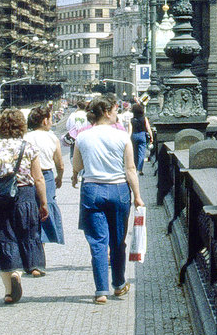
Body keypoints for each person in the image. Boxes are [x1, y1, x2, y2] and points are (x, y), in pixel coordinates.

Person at [0, 108, 48, 305]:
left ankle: (9, 287)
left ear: (0, 127)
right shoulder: (29, 147)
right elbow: (39, 178)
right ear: (21, 126)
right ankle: (23, 270)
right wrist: (44, 203)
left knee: (4, 239)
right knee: (25, 235)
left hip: (0, 199)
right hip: (25, 197)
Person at [72, 97, 145, 304]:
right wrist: (138, 197)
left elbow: (77, 165)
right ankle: (119, 284)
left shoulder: (83, 137)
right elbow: (130, 170)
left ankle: (101, 291)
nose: (117, 114)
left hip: (92, 189)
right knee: (117, 241)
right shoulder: (122, 137)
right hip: (119, 190)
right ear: (105, 111)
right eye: (114, 110)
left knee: (97, 242)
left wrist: (74, 174)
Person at [24, 105, 65, 254]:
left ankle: (30, 251)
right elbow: (60, 164)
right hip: (46, 176)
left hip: (27, 178)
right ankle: (40, 250)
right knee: (44, 211)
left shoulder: (25, 137)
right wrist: (59, 178)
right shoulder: (52, 138)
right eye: (50, 118)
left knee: (29, 214)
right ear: (44, 121)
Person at [129, 102, 154, 175]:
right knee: (141, 154)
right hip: (142, 135)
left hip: (134, 136)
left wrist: (128, 139)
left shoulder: (131, 120)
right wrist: (151, 137)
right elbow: (148, 128)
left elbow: (130, 131)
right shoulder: (144, 119)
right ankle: (139, 170)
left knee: (135, 153)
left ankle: (135, 168)